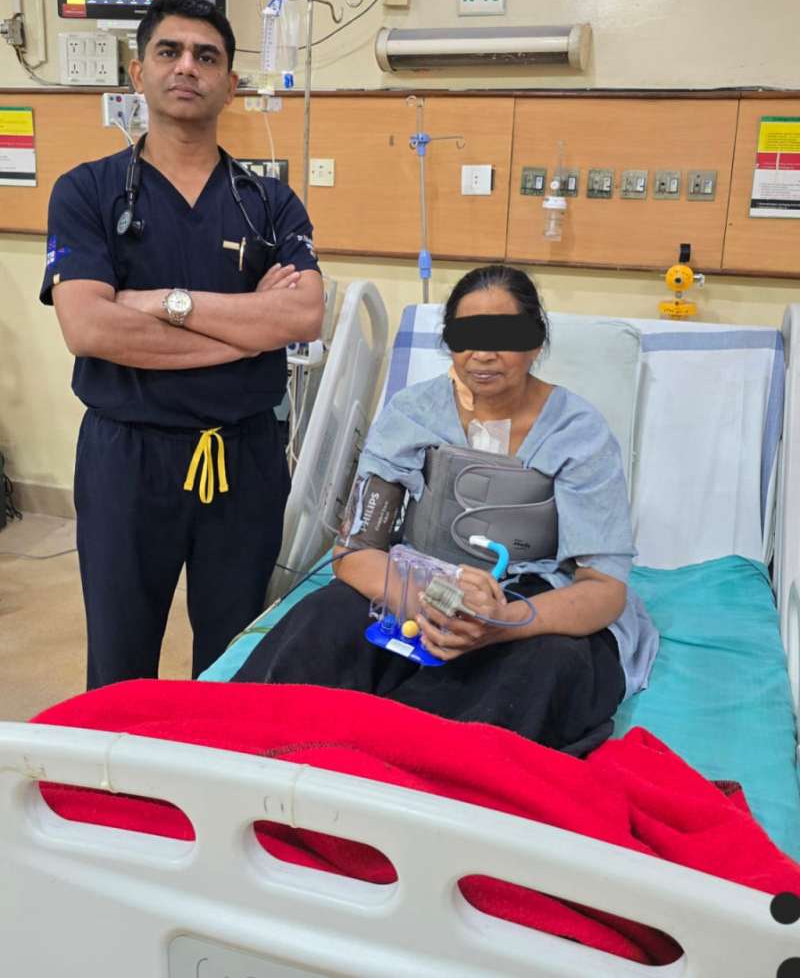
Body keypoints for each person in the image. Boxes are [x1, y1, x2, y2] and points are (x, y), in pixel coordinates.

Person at [232, 265, 658, 756]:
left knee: (548, 666)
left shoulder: (578, 434)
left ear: (536, 341)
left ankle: (420, 769)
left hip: (534, 599)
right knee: (326, 618)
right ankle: (248, 751)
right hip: (420, 583)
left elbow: (603, 589)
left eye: (505, 337)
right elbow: (354, 551)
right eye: (467, 336)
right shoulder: (413, 414)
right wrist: (429, 605)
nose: (483, 353)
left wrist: (504, 621)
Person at [40, 0, 324, 689]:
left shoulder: (269, 202)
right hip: (126, 459)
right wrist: (248, 327)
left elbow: (302, 316)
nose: (187, 67)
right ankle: (116, 763)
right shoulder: (86, 192)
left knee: (237, 659)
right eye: (169, 51)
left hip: (244, 457)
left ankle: (215, 762)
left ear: (231, 83)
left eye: (207, 56)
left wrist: (166, 305)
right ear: (138, 73)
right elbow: (89, 327)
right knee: (119, 657)